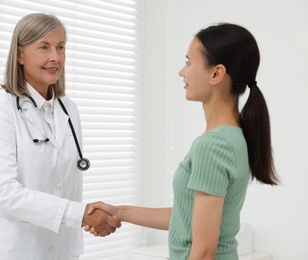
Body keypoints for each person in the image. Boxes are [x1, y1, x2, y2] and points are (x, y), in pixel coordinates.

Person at [86, 23, 278, 260]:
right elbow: (187, 217)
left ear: (216, 74)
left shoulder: (213, 145)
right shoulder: (232, 137)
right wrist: (120, 212)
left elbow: (204, 252)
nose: (182, 71)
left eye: (188, 62)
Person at [0, 13, 120, 260]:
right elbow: (4, 190)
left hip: (57, 249)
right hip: (8, 250)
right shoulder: (0, 109)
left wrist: (82, 217)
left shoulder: (68, 109)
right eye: (44, 47)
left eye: (61, 47)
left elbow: (67, 186)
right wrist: (80, 214)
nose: (55, 57)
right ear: (19, 55)